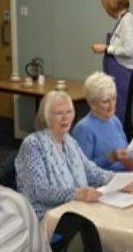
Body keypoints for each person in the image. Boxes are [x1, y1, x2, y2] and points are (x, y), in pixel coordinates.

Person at [16, 90, 115, 219]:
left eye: (69, 112)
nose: (65, 118)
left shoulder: (70, 141)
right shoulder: (33, 144)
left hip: (74, 208)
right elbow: (40, 191)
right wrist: (77, 194)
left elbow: (92, 172)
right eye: (59, 113)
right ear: (46, 117)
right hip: (45, 216)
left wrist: (119, 179)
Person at [72, 71, 133, 173]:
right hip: (106, 181)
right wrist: (110, 158)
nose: (112, 106)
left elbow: (127, 151)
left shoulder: (114, 120)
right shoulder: (83, 129)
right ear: (92, 103)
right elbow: (83, 170)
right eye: (105, 101)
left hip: (126, 175)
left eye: (114, 99)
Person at [91, 0, 133, 139]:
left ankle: (129, 157)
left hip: (125, 75)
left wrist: (106, 48)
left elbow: (129, 50)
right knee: (121, 118)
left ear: (112, 6)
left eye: (107, 7)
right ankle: (126, 155)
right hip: (123, 74)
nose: (106, 11)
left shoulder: (127, 21)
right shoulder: (125, 20)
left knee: (123, 119)